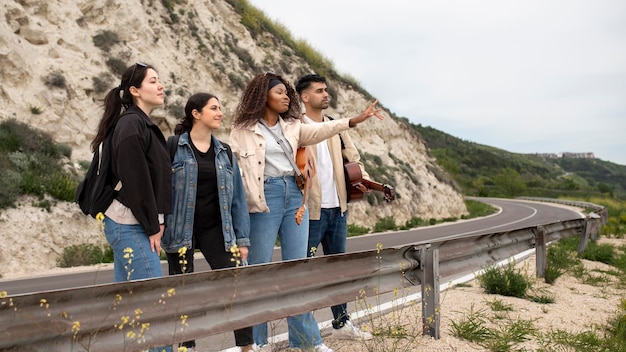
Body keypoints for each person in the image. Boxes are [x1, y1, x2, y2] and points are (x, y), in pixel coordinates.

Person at [229, 72, 383, 352]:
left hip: (294, 197)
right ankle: (257, 343)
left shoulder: (293, 125)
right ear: (263, 96)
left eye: (287, 92)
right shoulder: (242, 130)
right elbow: (231, 172)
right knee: (259, 273)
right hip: (264, 198)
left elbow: (320, 131)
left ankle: (307, 341)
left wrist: (353, 121)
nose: (286, 96)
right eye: (279, 93)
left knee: (297, 269)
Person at [162, 93, 254, 352]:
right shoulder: (173, 146)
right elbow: (161, 190)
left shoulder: (224, 152)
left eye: (220, 108)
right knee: (182, 292)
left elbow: (238, 199)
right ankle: (186, 347)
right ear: (196, 113)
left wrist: (242, 239)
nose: (220, 112)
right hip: (180, 229)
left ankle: (247, 347)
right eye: (213, 108)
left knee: (236, 284)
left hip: (218, 230)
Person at [91, 62, 172, 352]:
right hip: (130, 224)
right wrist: (152, 225)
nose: (160, 85)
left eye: (159, 80)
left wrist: (157, 220)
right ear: (135, 90)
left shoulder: (140, 124)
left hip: (132, 223)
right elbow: (136, 182)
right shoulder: (131, 125)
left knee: (129, 307)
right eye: (153, 81)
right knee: (155, 307)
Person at [296, 74, 376, 341]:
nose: (325, 94)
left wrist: (362, 179)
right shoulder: (295, 127)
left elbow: (353, 158)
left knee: (338, 271)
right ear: (305, 97)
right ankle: (302, 331)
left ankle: (342, 324)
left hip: (338, 209)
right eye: (319, 91)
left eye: (326, 90)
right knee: (303, 272)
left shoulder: (335, 125)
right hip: (310, 213)